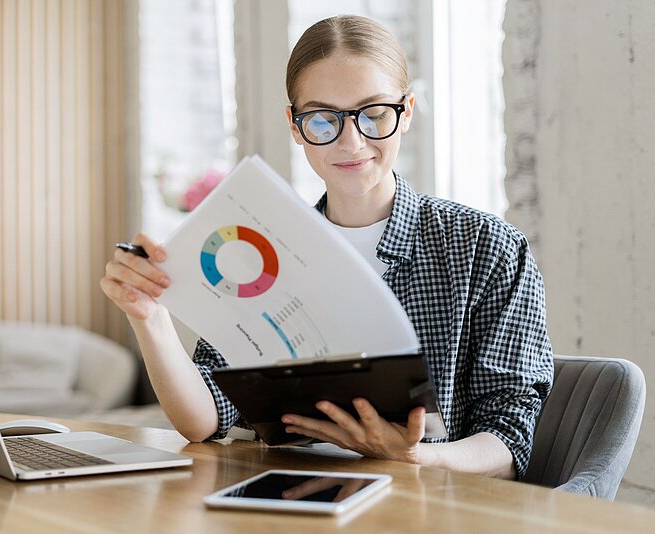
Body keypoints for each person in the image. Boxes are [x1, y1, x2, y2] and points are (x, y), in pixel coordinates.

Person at [101, 15, 553, 480]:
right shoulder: (259, 252)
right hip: (283, 498)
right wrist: (150, 318)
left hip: (426, 506)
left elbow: (509, 439)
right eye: (322, 119)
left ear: (408, 111)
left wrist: (415, 458)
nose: (351, 141)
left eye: (374, 114)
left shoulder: (485, 248)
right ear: (296, 127)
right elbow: (205, 420)